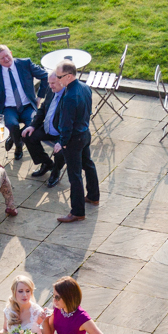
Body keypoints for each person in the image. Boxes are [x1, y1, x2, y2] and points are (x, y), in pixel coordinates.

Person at [51, 62, 101, 219]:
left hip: (73, 140)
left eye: (59, 77)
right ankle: (93, 196)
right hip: (85, 134)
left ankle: (77, 212)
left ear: (69, 76)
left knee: (75, 176)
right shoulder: (85, 87)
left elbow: (66, 124)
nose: (57, 79)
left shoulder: (70, 97)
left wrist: (63, 142)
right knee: (88, 165)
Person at [0, 45, 49, 160]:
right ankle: (18, 146)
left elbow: (45, 76)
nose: (6, 59)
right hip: (8, 107)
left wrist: (39, 97)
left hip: (27, 106)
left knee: (34, 124)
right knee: (12, 125)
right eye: (2, 58)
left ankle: (16, 137)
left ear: (11, 53)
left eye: (7, 55)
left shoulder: (25, 63)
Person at [22, 62, 68, 185]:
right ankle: (47, 163)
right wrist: (32, 125)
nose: (50, 86)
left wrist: (62, 141)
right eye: (49, 83)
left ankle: (56, 172)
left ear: (61, 81)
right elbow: (42, 109)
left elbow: (71, 123)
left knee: (61, 151)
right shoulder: (51, 89)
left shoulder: (69, 97)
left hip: (62, 133)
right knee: (27, 135)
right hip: (48, 128)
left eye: (53, 83)